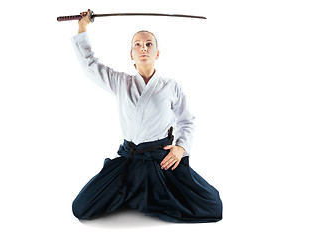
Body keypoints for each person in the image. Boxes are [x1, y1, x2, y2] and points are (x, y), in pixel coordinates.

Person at [70, 9, 222, 223]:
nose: (143, 48)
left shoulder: (171, 86)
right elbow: (90, 65)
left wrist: (180, 148)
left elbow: (186, 120)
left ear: (157, 53)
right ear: (131, 54)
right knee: (82, 206)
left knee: (212, 205)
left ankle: (136, 196)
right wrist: (82, 27)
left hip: (161, 158)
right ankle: (131, 194)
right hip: (129, 158)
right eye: (137, 45)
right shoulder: (121, 82)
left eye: (149, 44)